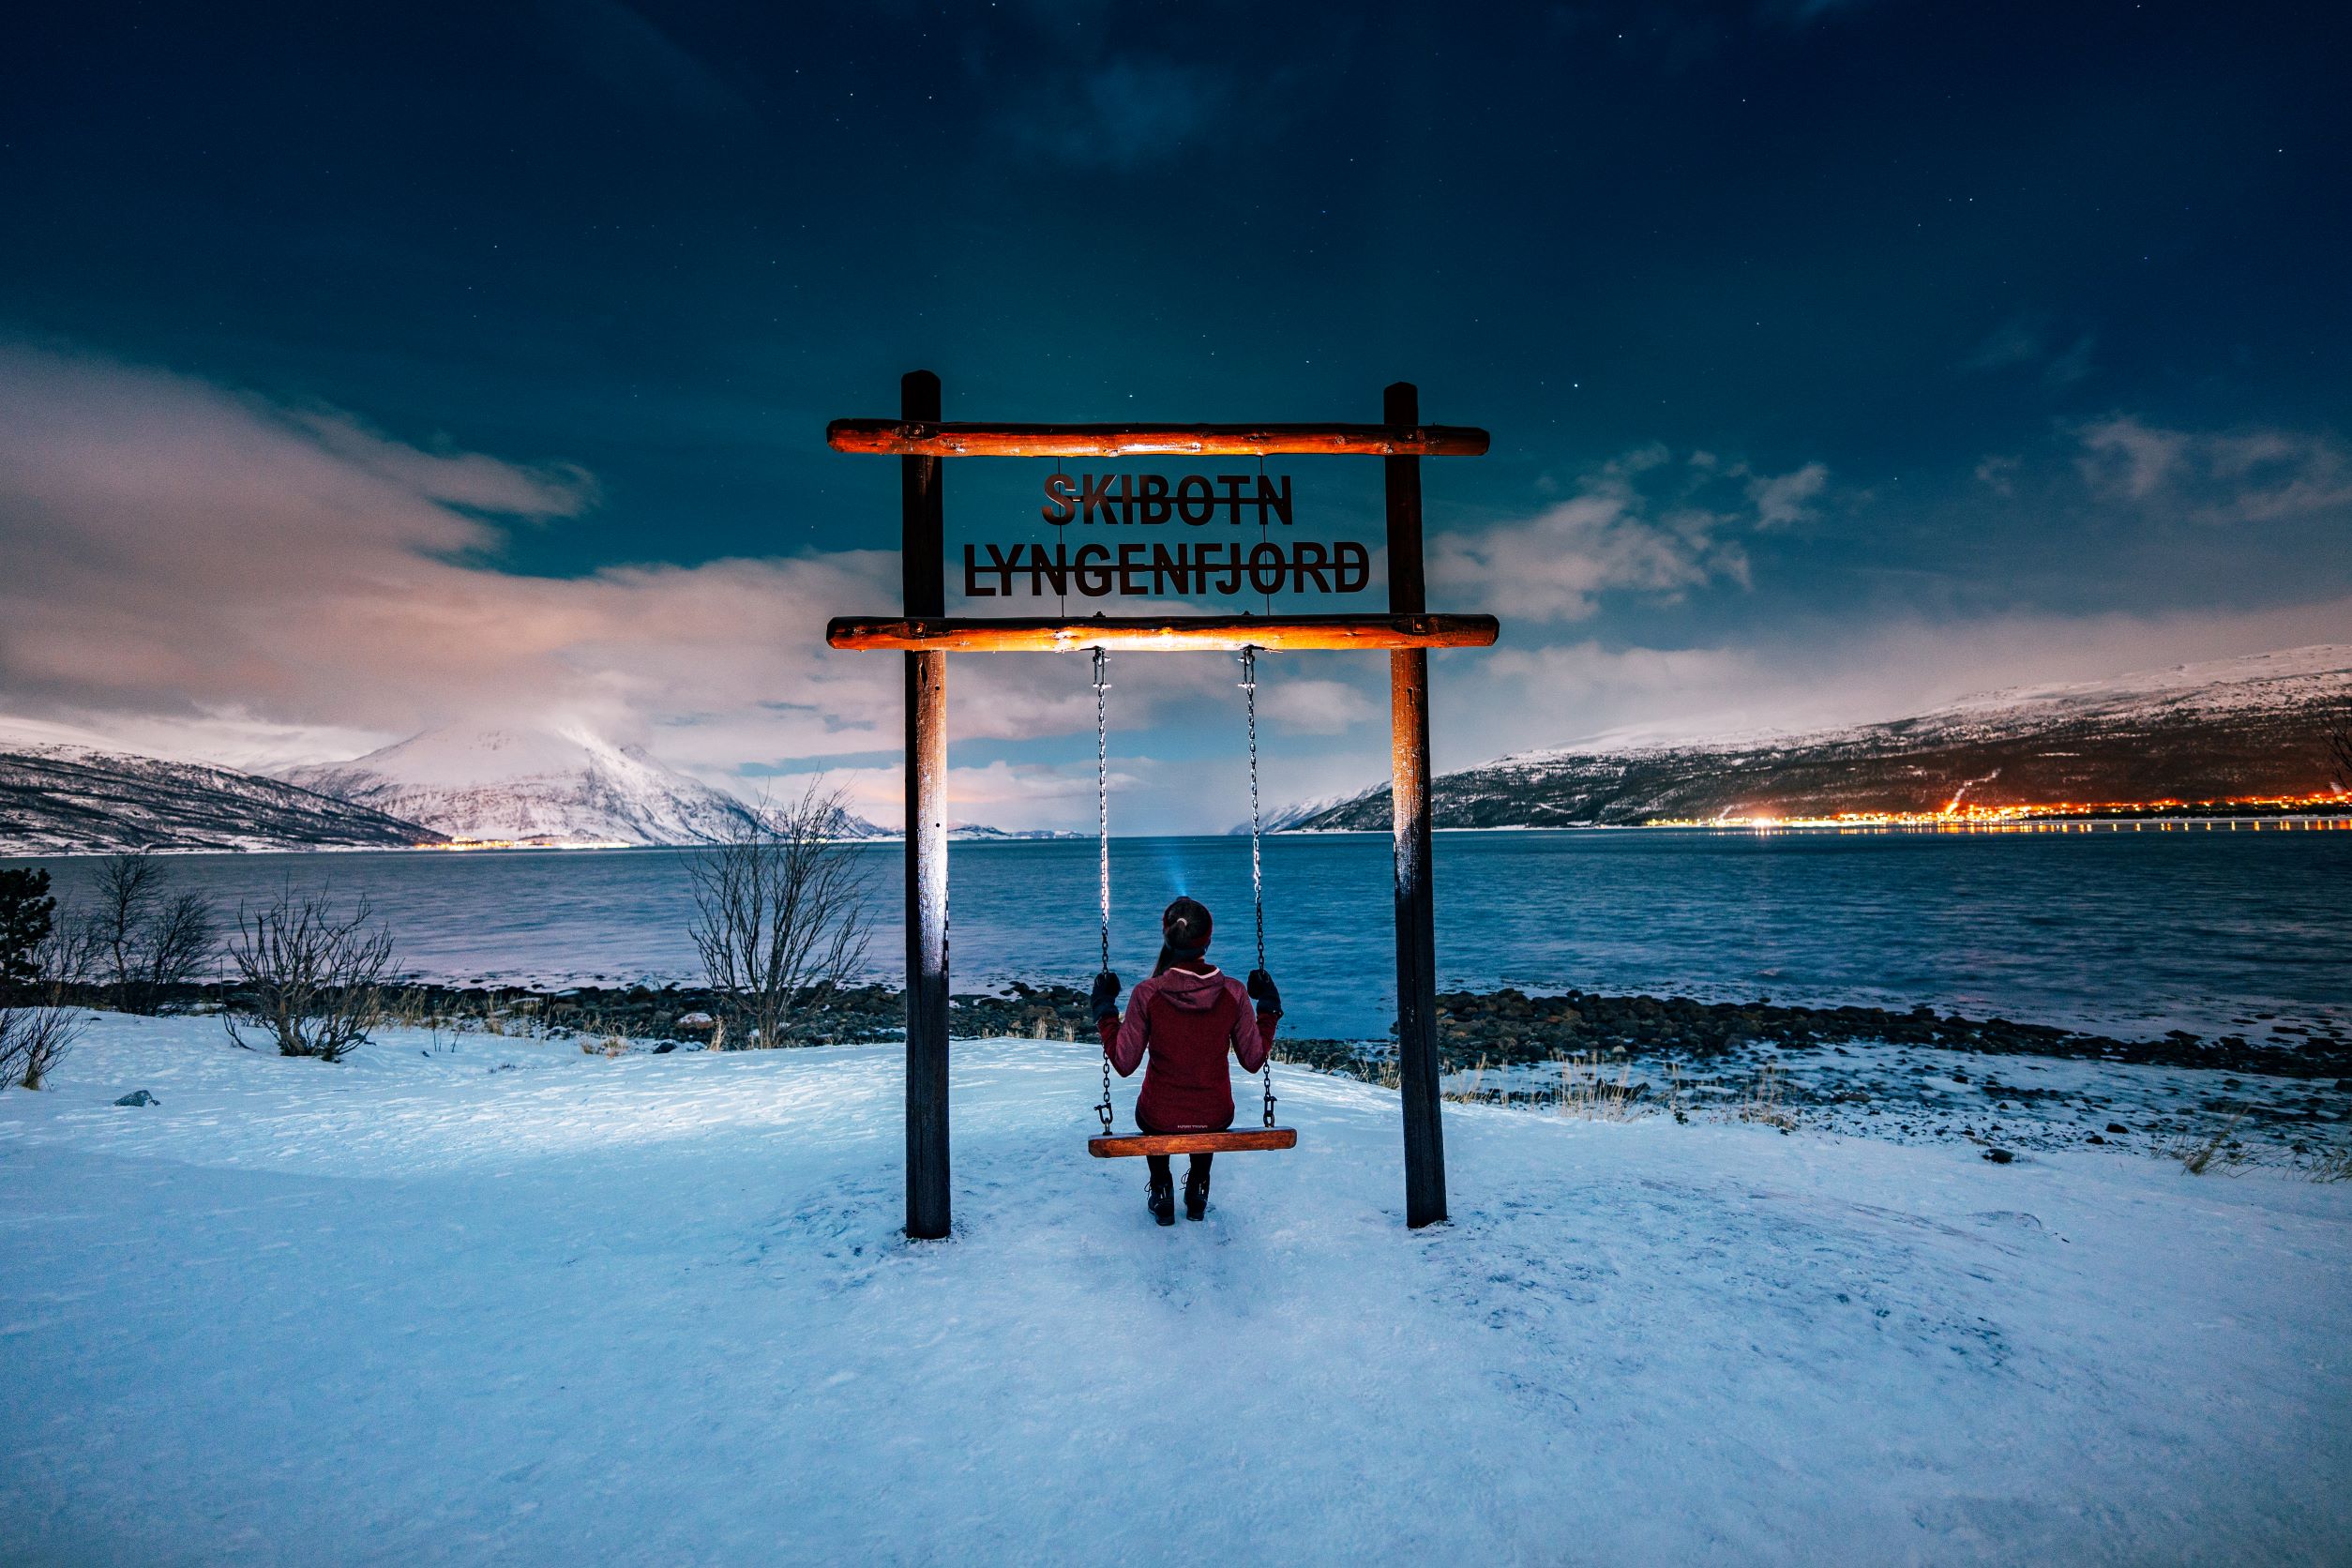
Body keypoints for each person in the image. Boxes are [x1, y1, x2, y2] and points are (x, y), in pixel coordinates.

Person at [1091, 896, 1283, 1226]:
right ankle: (1198, 1186)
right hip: (1215, 1116)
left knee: (1152, 1111)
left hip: (1158, 1115)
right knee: (1206, 1110)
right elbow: (1253, 1060)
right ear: (1207, 940)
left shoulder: (1148, 994)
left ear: (1166, 937)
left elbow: (1123, 1063)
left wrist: (1105, 1010)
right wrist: (1267, 1007)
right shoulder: (1233, 993)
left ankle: (1162, 1187)